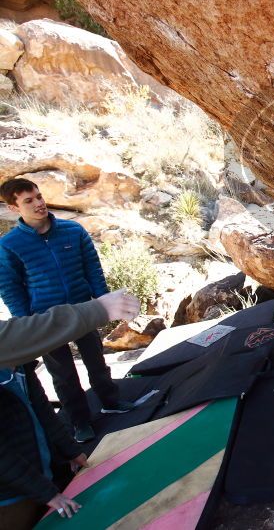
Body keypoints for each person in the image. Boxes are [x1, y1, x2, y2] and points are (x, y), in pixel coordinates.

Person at [0, 178, 135, 444]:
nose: (39, 203)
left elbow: (92, 268)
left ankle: (111, 400)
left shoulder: (73, 231)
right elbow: (9, 286)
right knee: (62, 375)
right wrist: (27, 323)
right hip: (45, 320)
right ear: (14, 208)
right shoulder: (9, 245)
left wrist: (104, 302)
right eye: (28, 200)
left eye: (39, 196)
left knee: (96, 361)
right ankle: (80, 421)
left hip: (84, 309)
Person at [0, 291, 141, 529]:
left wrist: (69, 450)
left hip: (41, 475)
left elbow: (41, 409)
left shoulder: (18, 360)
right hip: (11, 495)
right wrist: (47, 493)